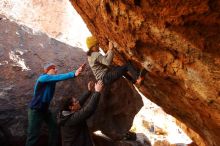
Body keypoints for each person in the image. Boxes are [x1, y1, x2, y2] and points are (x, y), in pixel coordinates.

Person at [25, 62, 85, 146]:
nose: (56, 70)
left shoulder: (51, 80)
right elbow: (59, 77)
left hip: (44, 110)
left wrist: (77, 71)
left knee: (54, 128)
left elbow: (57, 78)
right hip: (35, 110)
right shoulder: (42, 78)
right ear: (48, 70)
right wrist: (74, 73)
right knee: (33, 135)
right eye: (54, 68)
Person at [57, 80, 103, 146]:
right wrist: (97, 92)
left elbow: (79, 104)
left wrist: (89, 91)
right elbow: (89, 110)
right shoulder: (71, 119)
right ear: (70, 107)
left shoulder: (64, 113)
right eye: (75, 102)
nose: (78, 102)